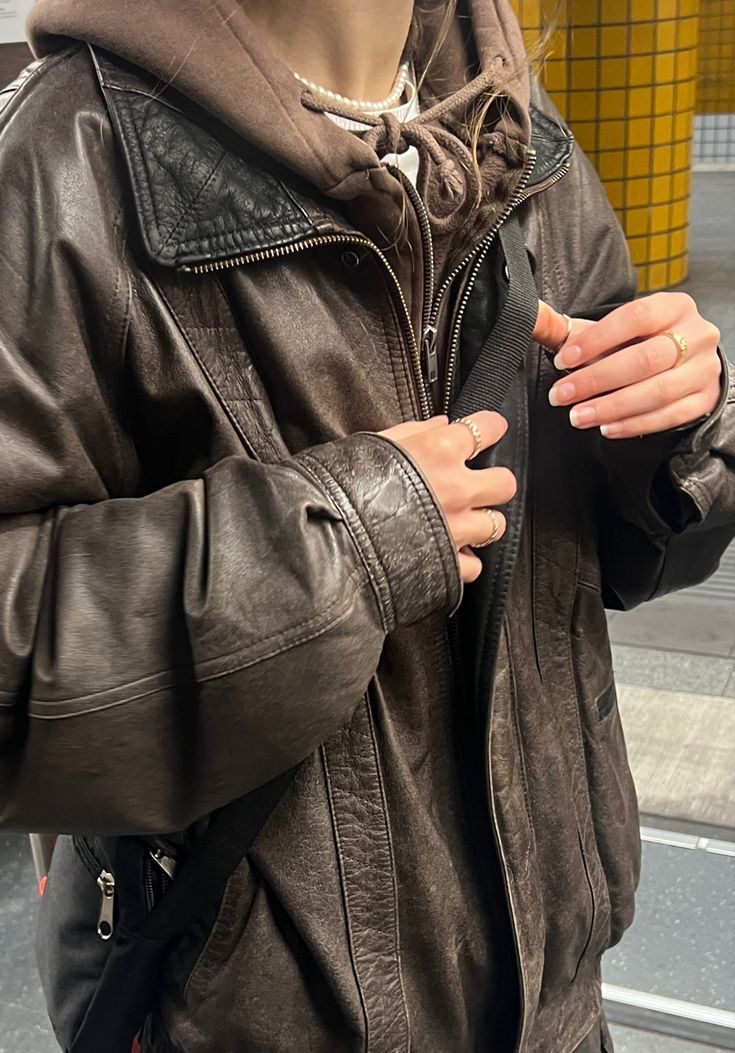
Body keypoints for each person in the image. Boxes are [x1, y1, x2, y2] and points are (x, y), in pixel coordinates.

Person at [1, 0, 733, 1050]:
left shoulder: (514, 132)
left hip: (555, 996)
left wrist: (680, 426)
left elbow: (623, 550)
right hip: (254, 1016)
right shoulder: (62, 163)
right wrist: (345, 544)